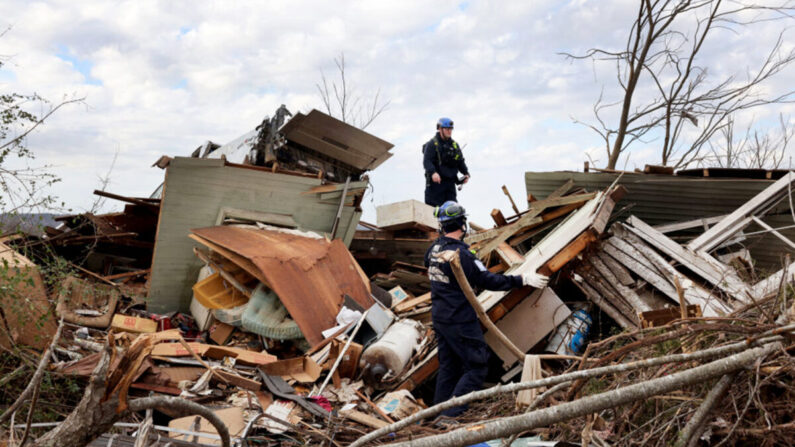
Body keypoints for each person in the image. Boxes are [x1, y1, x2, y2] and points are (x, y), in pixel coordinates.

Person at [424, 201, 549, 418]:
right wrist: (522, 279)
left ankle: (437, 415)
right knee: (477, 366)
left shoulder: (433, 250)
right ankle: (451, 415)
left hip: (441, 317)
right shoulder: (461, 254)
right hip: (460, 319)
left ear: (442, 225)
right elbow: (487, 280)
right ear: (462, 224)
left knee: (449, 367)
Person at [422, 117, 470, 207]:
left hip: (450, 185)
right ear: (440, 129)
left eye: (450, 129)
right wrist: (433, 173)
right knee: (435, 213)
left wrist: (466, 173)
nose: (449, 131)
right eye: (447, 129)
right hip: (435, 186)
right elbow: (427, 161)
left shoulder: (454, 145)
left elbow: (460, 161)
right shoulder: (432, 144)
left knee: (453, 212)